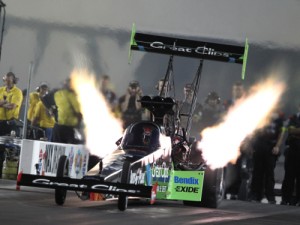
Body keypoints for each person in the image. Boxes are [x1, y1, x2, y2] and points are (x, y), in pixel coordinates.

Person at [249, 111, 284, 204]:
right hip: (259, 147)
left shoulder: (279, 120)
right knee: (257, 172)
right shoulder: (261, 118)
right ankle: (255, 195)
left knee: (269, 174)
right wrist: (252, 147)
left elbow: (281, 134)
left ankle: (270, 196)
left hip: (271, 148)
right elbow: (254, 133)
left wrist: (277, 146)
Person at [274, 103, 300, 206]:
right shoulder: (293, 117)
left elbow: (294, 131)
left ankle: (297, 200)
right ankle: (285, 199)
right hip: (292, 151)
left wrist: (296, 132)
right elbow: (290, 130)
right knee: (289, 176)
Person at [0, 72, 23, 178]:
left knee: (11, 148)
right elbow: (8, 105)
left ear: (13, 80)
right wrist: (5, 103)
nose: (7, 82)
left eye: (10, 80)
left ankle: (13, 173)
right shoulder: (1, 90)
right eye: (6, 80)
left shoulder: (17, 92)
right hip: (1, 122)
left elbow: (12, 106)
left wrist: (2, 103)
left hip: (11, 123)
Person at [51, 78, 83, 144]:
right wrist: (78, 126)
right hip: (68, 128)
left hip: (58, 126)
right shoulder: (72, 96)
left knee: (56, 146)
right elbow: (78, 113)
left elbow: (51, 108)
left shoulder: (57, 94)